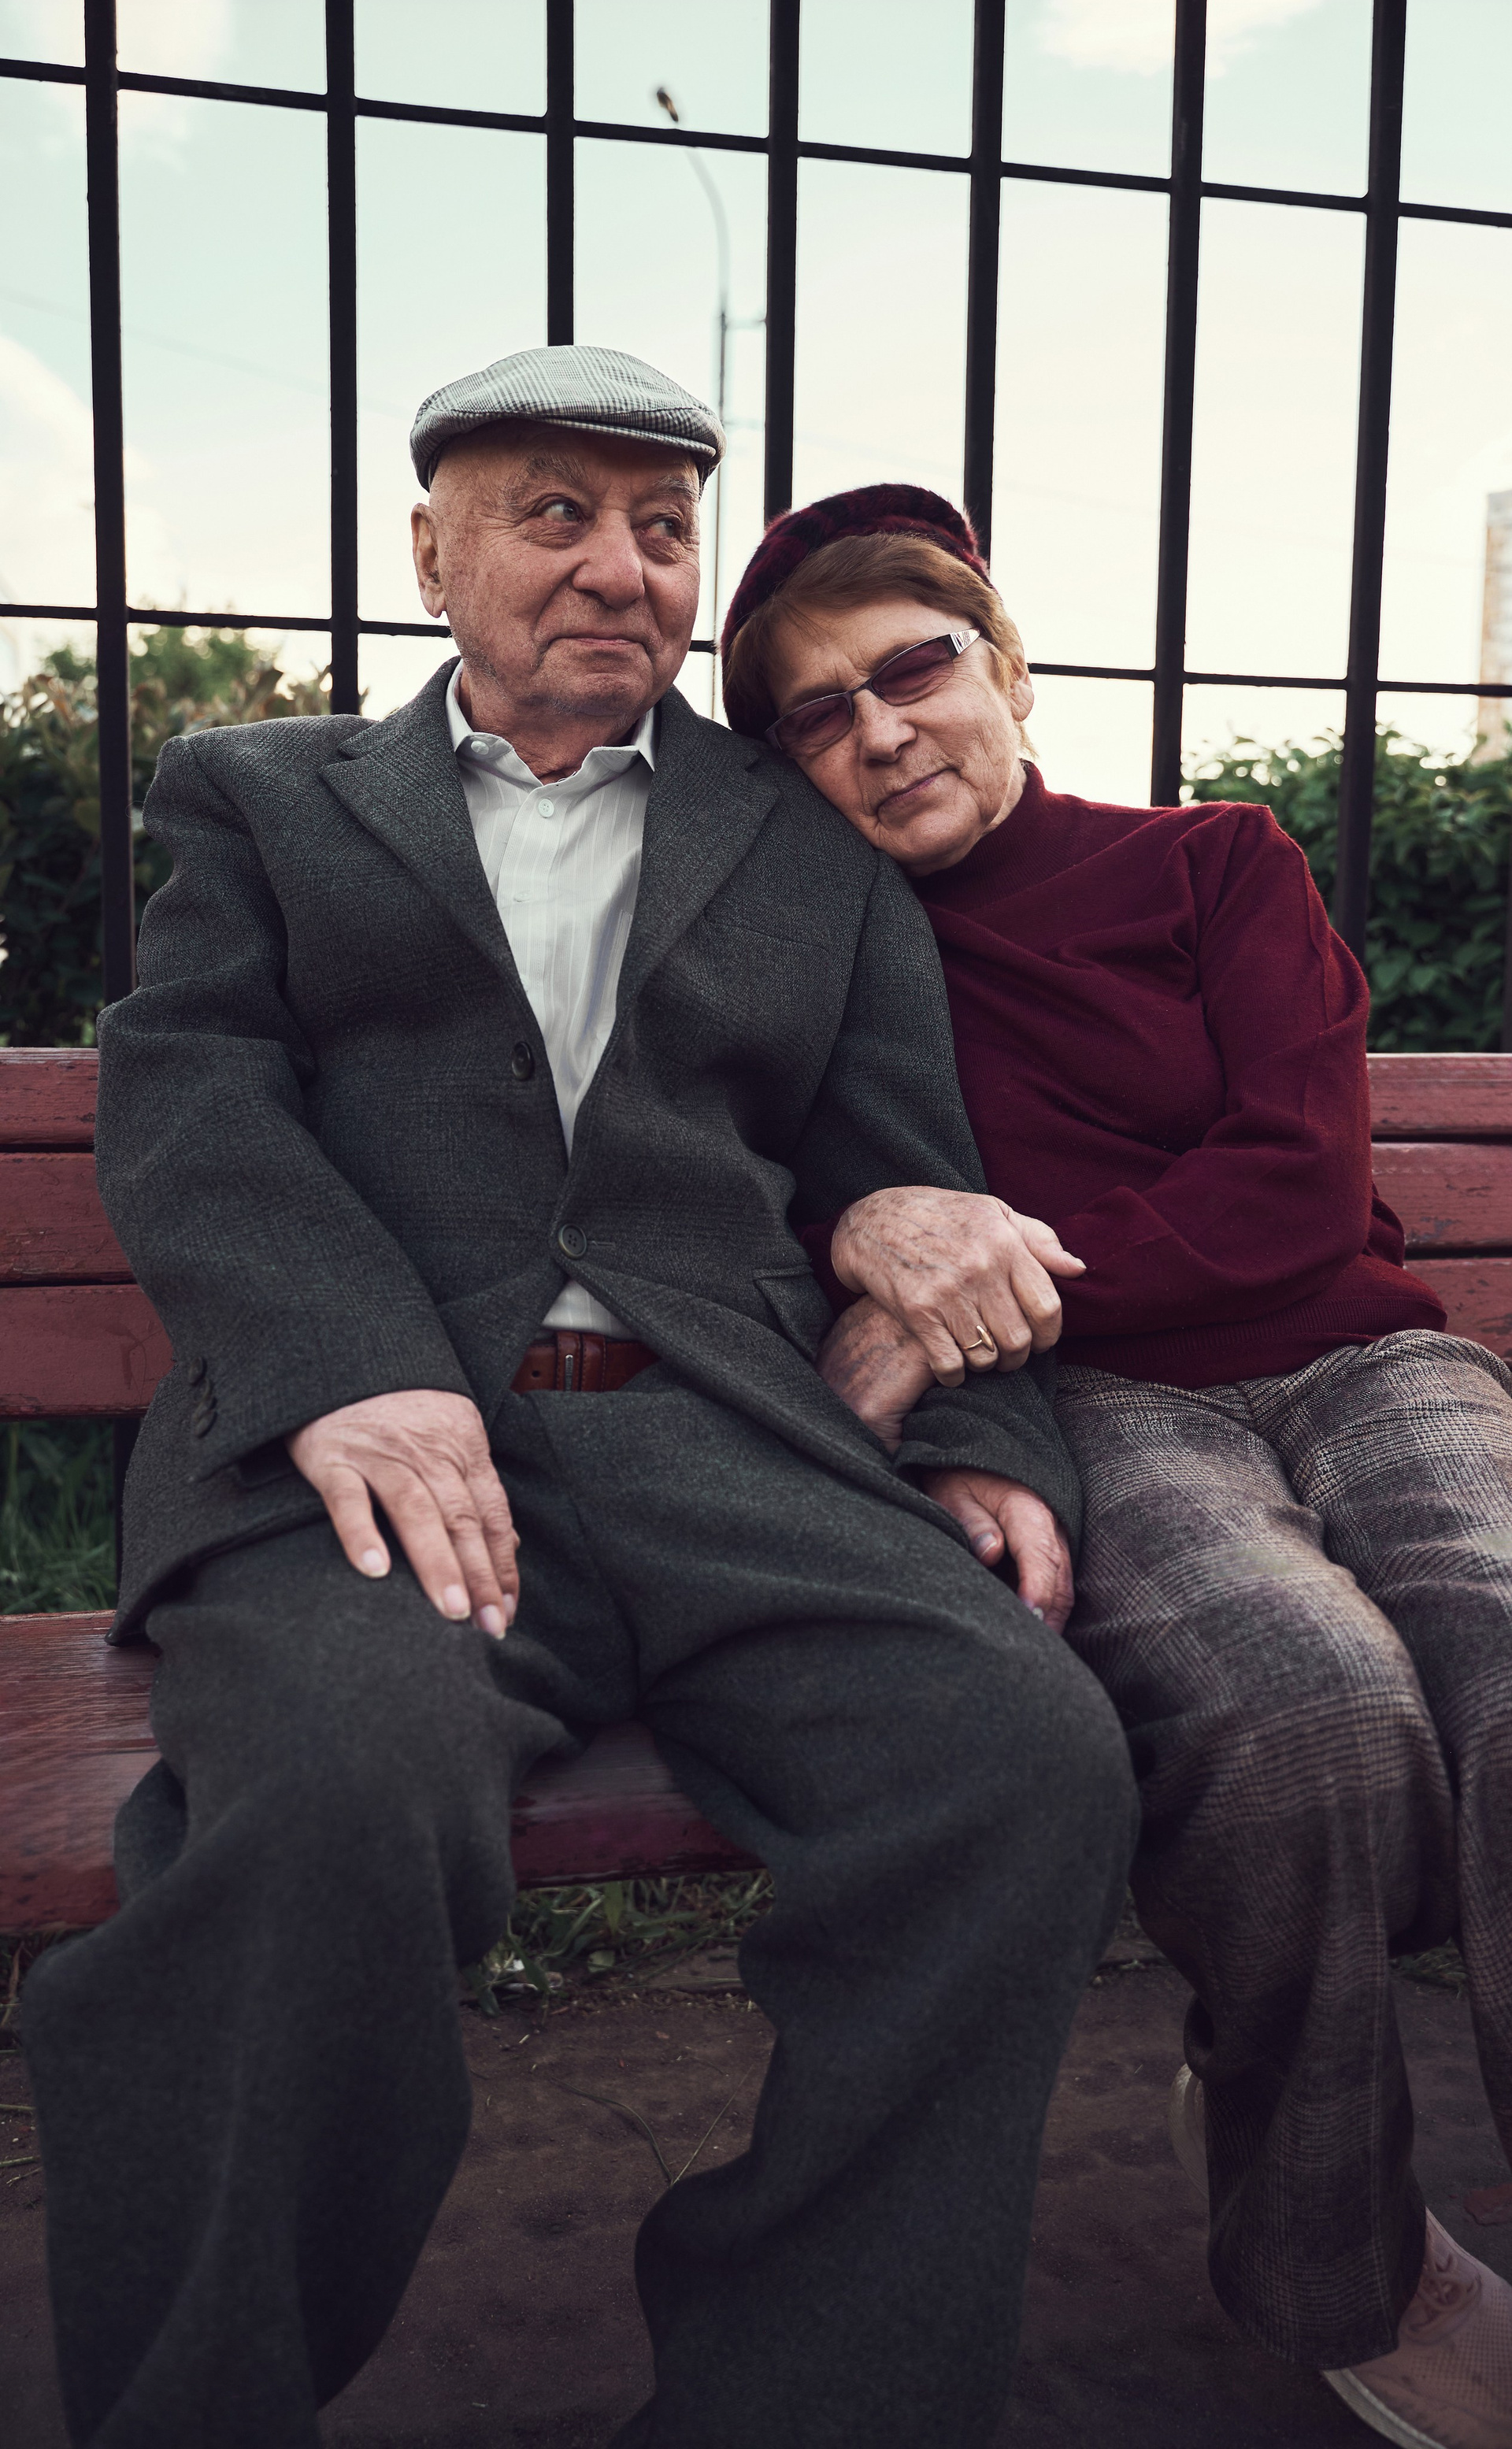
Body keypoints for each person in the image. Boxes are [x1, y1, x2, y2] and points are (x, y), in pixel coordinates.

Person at [21, 361, 1136, 2449]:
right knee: (332, 1791)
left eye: (662, 527)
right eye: (555, 514)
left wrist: (985, 1445)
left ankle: (802, 2403)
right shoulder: (261, 795)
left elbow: (915, 1174)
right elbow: (195, 1097)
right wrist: (350, 1362)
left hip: (729, 1443)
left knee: (1020, 1758)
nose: (621, 568)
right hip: (377, 1457)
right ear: (430, 552)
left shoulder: (803, 837)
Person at [720, 482, 1512, 2449]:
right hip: (1103, 1410)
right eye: (816, 713)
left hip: (1360, 1355)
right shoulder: (816, 962)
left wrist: (990, 1297)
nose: (881, 729)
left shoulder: (1215, 862)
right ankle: (1341, 2254)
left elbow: (1296, 1178)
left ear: (1006, 668)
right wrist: (879, 1252)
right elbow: (757, 1201)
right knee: (1305, 1703)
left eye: (913, 668)